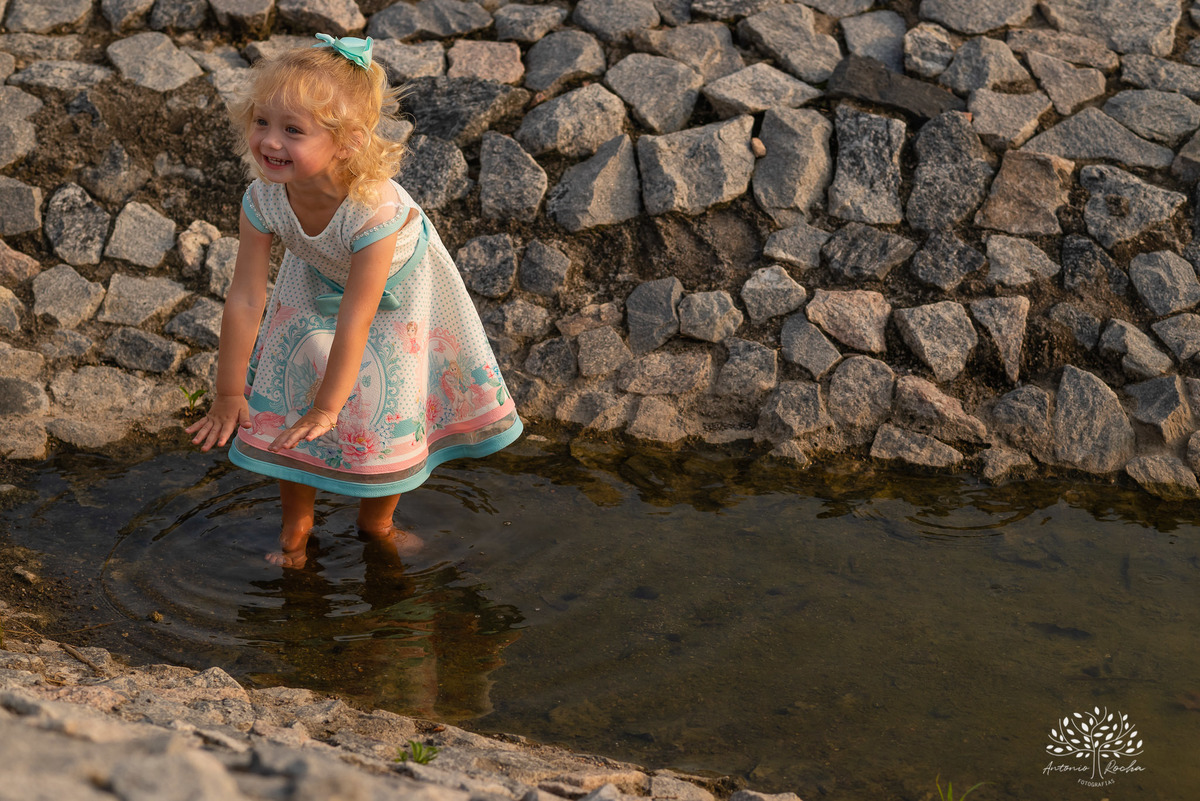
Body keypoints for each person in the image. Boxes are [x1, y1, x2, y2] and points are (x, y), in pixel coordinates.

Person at [186, 34, 522, 568]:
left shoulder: (374, 209)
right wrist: (230, 392)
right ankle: (296, 526)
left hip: (396, 290)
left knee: (383, 399)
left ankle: (378, 521)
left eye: (293, 130)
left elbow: (358, 317)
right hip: (317, 270)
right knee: (293, 375)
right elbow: (247, 296)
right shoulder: (264, 197)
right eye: (262, 122)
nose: (270, 142)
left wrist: (331, 405)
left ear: (347, 142)